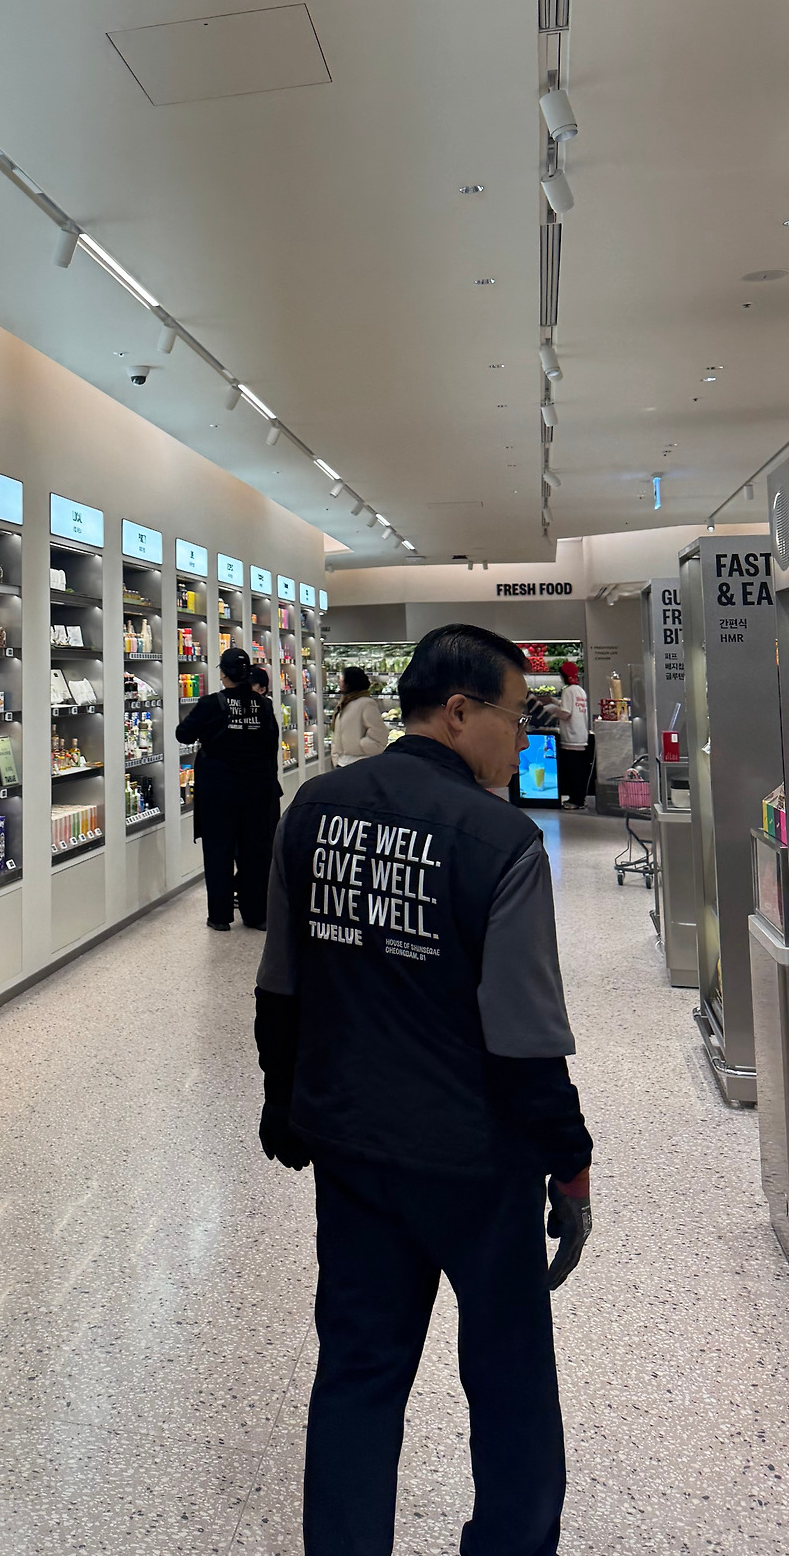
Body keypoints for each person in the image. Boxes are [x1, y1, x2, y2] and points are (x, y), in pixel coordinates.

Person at [253, 623, 593, 1556]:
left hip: (354, 1148)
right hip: (476, 1162)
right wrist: (569, 1161)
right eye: (514, 717)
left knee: (357, 1373)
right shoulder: (503, 841)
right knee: (510, 1383)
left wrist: (286, 1102)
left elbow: (280, 985)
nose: (521, 738)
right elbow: (526, 1041)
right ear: (457, 711)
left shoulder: (312, 810)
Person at [176, 645, 281, 932]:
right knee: (254, 852)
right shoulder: (263, 705)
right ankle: (256, 914)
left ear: (222, 673)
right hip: (256, 790)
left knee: (218, 851)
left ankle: (220, 916)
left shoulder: (211, 704)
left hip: (218, 791)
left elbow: (183, 734)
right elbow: (271, 744)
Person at [554, 660, 592, 811]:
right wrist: (554, 702)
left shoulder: (568, 691)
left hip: (570, 737)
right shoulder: (580, 690)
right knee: (579, 770)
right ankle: (580, 799)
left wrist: (552, 711)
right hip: (581, 736)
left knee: (572, 771)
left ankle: (574, 801)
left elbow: (565, 713)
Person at [331, 666, 388, 766]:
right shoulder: (344, 703)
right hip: (342, 762)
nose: (339, 681)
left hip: (360, 762)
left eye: (342, 678)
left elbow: (379, 734)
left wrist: (361, 746)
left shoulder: (366, 703)